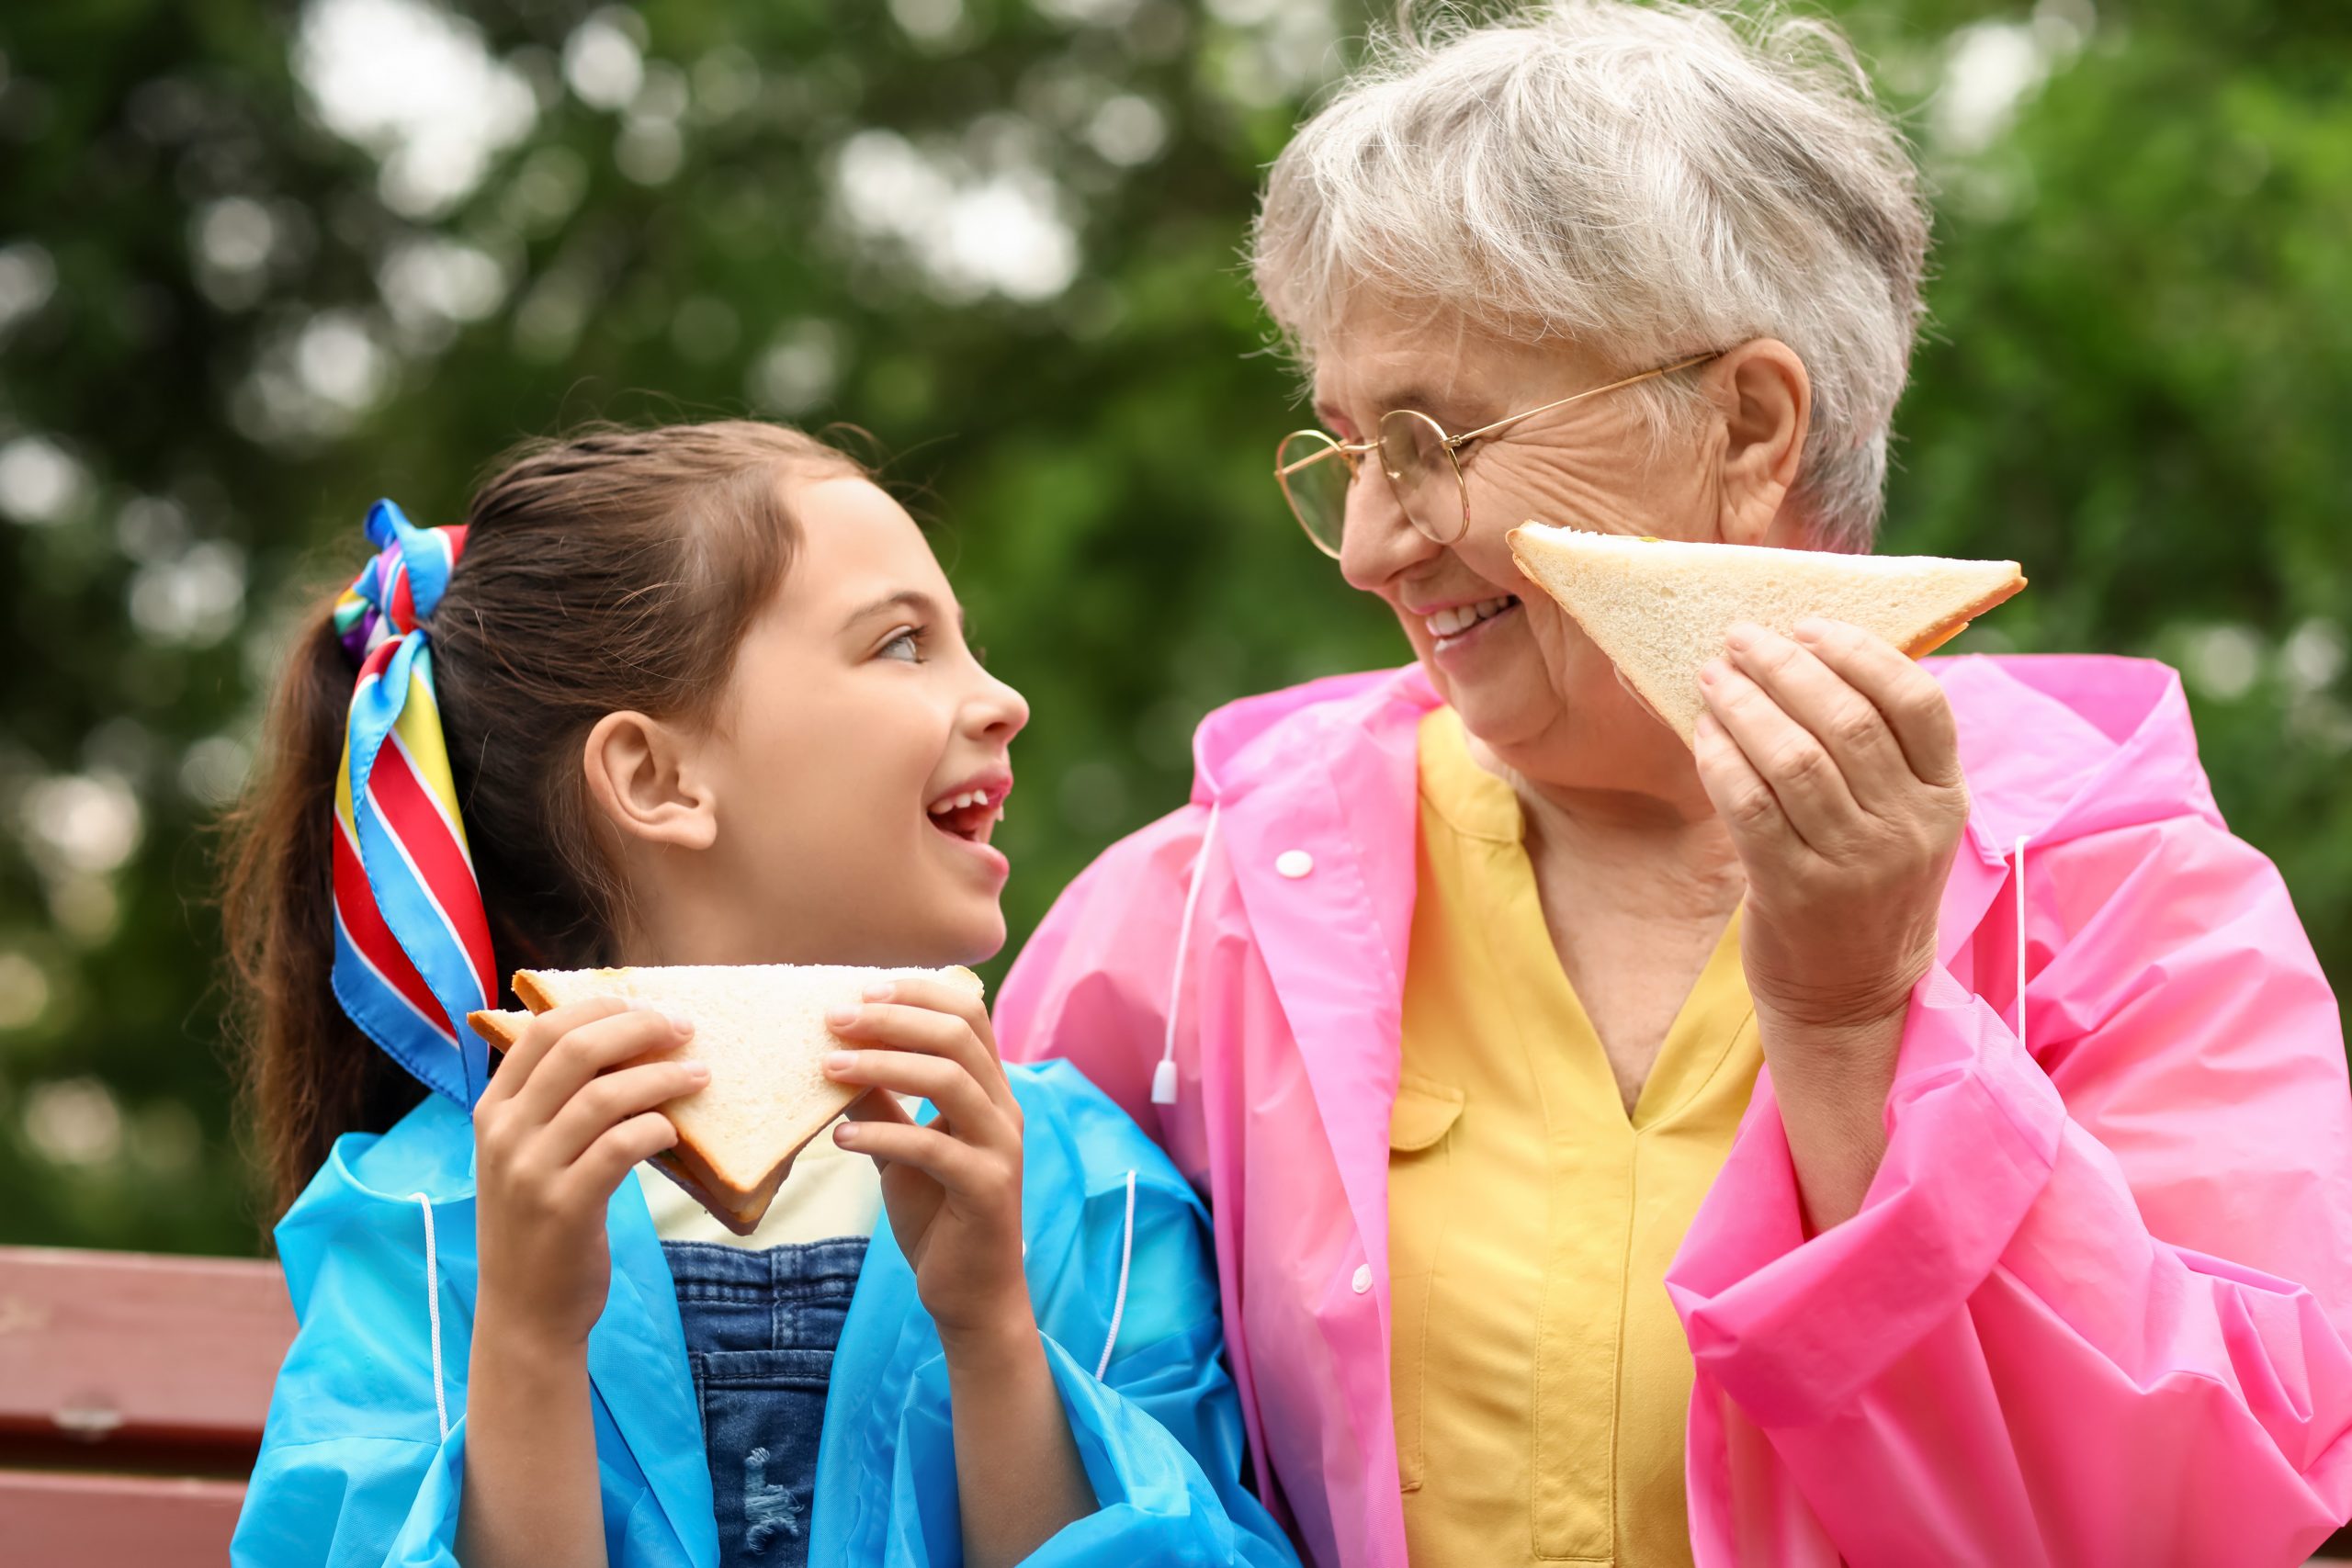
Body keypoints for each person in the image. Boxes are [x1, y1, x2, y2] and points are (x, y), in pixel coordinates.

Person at [995, 4, 2352, 1565]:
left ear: (1751, 424)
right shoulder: (1190, 915)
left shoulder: (2123, 903)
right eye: (1350, 448)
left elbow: (2197, 1516)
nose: (1373, 543)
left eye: (1433, 439)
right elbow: (1000, 1433)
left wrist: (1861, 1025)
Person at [224, 423, 1294, 1568]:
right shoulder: (424, 1228)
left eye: (964, 644)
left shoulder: (1085, 1188)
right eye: (900, 645)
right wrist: (528, 1342)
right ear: (657, 777)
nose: (1002, 700)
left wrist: (993, 1334)